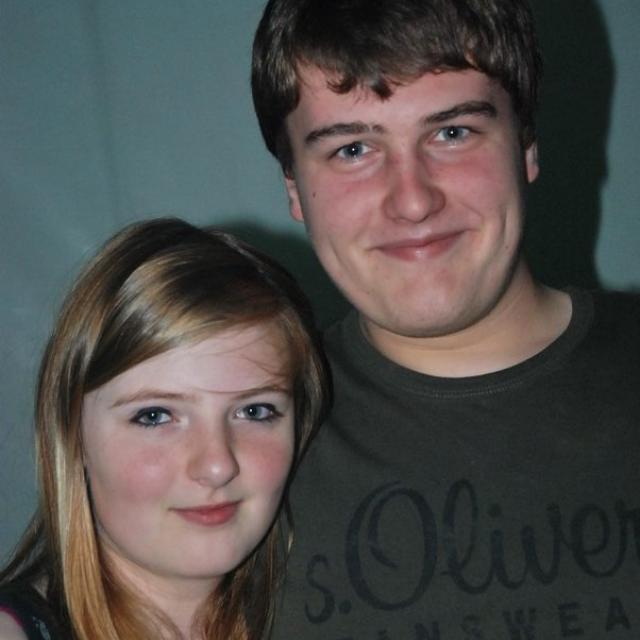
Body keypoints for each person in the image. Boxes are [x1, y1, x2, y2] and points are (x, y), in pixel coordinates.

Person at [251, 0, 640, 637]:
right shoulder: (245, 441)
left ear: (527, 145)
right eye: (353, 148)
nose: (412, 200)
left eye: (452, 133)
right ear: (294, 187)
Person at [0, 218, 329, 640]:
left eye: (254, 411)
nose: (217, 465)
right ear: (72, 435)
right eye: (155, 416)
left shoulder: (327, 611)